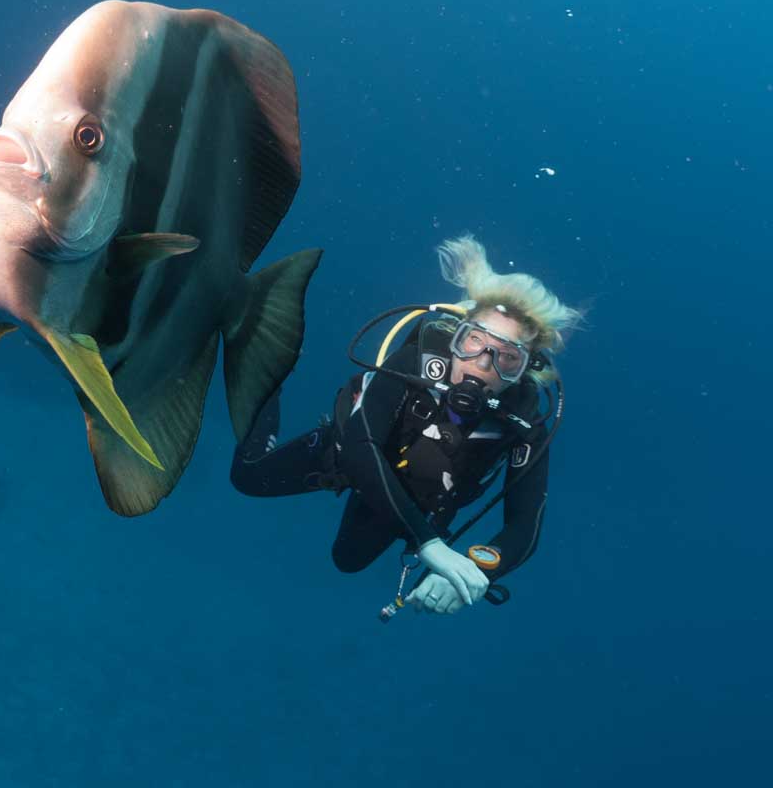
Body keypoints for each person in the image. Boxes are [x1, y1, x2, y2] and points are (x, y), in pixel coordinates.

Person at [231, 234, 583, 617]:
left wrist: (474, 570)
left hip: (414, 500)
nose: (482, 365)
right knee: (247, 477)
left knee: (347, 560)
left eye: (507, 359)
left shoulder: (524, 423)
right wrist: (430, 544)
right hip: (350, 455)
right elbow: (359, 447)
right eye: (474, 341)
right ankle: (269, 377)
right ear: (455, 337)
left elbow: (524, 525)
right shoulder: (414, 364)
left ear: (527, 369)